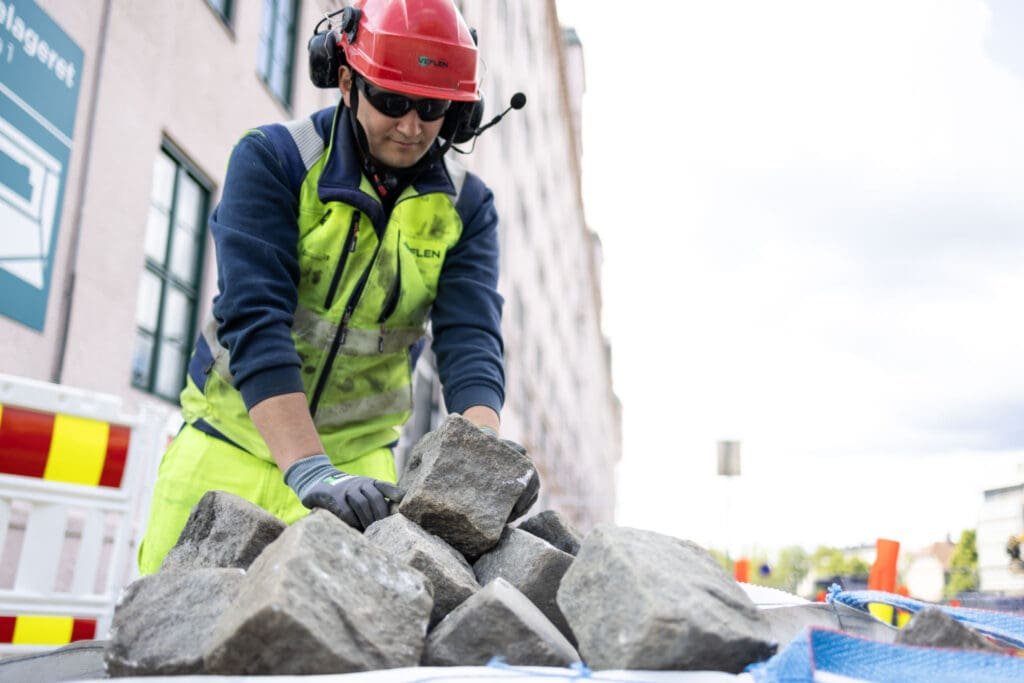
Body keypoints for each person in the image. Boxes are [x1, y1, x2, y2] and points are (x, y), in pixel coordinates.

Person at [138, 0, 535, 574]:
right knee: (168, 647)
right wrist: (306, 468)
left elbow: (470, 336)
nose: (411, 126)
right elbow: (254, 318)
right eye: (392, 99)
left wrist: (483, 453)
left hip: (362, 473)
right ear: (346, 81)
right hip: (227, 448)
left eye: (433, 108)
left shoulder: (467, 207)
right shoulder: (275, 159)